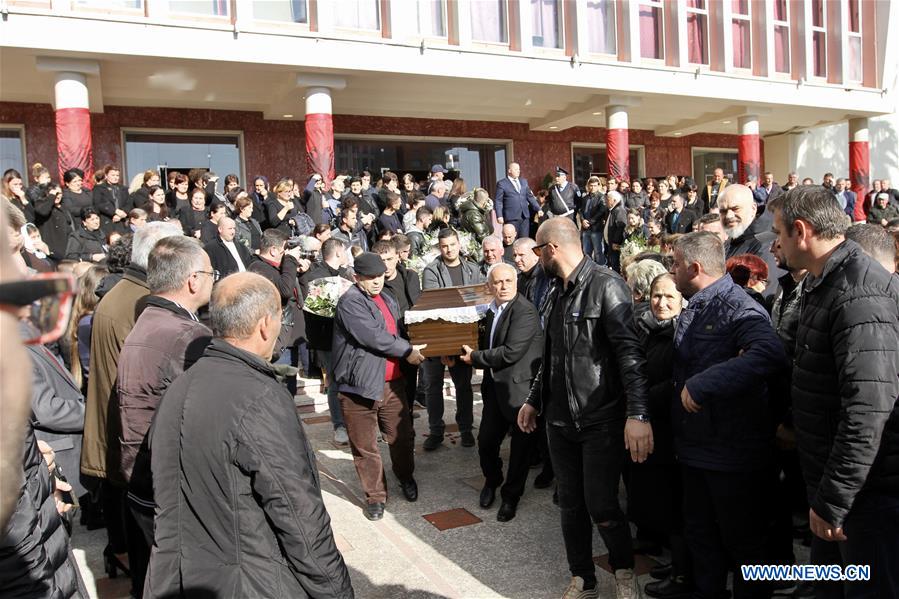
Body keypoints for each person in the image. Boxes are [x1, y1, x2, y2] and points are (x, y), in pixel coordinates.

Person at [145, 272, 353, 597]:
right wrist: (337, 591)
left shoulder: (179, 388)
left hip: (181, 577)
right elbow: (296, 512)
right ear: (265, 325)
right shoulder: (260, 398)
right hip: (251, 582)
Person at [767, 187, 899, 598]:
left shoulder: (860, 294)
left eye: (778, 233)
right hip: (833, 487)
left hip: (864, 496)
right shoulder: (823, 281)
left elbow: (867, 408)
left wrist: (834, 500)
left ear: (801, 231)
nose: (774, 244)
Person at [517, 217, 652, 599]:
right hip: (558, 421)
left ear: (552, 248)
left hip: (599, 420)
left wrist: (638, 414)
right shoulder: (554, 292)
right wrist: (533, 399)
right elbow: (551, 356)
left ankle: (624, 572)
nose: (537, 258)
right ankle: (583, 578)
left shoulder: (607, 286)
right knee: (570, 506)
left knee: (602, 504)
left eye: (539, 250)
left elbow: (630, 357)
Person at [669, 231, 787, 599]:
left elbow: (769, 354)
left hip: (734, 455)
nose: (669, 270)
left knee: (745, 546)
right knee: (701, 539)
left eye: (674, 263)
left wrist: (705, 384)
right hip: (696, 449)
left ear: (694, 267)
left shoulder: (739, 308)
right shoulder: (696, 304)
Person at [81, 220, 183, 592]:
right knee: (147, 553)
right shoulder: (139, 302)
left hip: (123, 435)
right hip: (135, 442)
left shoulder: (127, 293)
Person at [113, 235, 214, 596]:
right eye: (211, 273)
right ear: (193, 280)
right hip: (168, 488)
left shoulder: (149, 318)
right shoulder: (187, 333)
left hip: (139, 476)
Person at [332, 252, 426, 521]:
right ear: (356, 277)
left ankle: (405, 477)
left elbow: (397, 330)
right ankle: (375, 497)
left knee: (402, 436)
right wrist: (408, 350)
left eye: (380, 276)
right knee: (365, 446)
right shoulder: (350, 302)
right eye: (369, 277)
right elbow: (373, 337)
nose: (376, 282)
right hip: (358, 387)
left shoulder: (387, 297)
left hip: (392, 382)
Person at [454, 263, 542, 522]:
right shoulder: (491, 310)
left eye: (508, 281)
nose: (503, 286)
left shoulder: (524, 311)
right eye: (498, 282)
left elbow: (511, 352)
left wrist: (475, 358)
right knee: (487, 442)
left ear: (516, 283)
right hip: (494, 387)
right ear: (489, 286)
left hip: (519, 390)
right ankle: (492, 480)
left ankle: (511, 497)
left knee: (520, 449)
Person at [630, 273, 693, 599]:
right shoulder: (645, 327)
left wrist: (637, 397)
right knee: (660, 496)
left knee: (676, 502)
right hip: (650, 422)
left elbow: (674, 384)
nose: (662, 303)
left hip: (673, 429)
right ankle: (674, 561)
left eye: (670, 297)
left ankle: (683, 576)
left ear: (681, 299)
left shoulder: (683, 333)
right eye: (657, 296)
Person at [420, 228, 485, 451]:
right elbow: (436, 303)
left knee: (464, 386)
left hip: (463, 338)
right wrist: (443, 349)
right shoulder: (431, 271)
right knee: (433, 386)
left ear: (459, 244)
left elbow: (479, 300)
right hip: (437, 338)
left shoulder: (472, 269)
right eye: (444, 246)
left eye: (452, 245)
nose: (449, 249)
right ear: (440, 247)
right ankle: (436, 430)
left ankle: (466, 428)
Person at [248, 229, 309, 394]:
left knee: (290, 389)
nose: (286, 254)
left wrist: (301, 273)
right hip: (277, 341)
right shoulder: (259, 267)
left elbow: (300, 296)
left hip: (290, 337)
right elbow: (284, 292)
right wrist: (290, 261)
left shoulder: (281, 268)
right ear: (274, 250)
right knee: (280, 390)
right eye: (284, 250)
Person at [373, 239, 422, 419]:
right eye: (381, 260)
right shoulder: (375, 284)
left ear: (397, 257)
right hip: (387, 343)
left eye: (389, 259)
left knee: (409, 387)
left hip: (409, 341)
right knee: (389, 390)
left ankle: (407, 424)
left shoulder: (411, 277)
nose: (386, 265)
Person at [718, 184, 784, 297]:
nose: (729, 216)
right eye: (723, 211)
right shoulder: (735, 239)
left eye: (735, 209)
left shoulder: (766, 242)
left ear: (753, 209)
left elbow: (760, 296)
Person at [495, 162, 541, 239]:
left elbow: (530, 197)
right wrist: (499, 215)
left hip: (524, 217)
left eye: (519, 169)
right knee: (512, 241)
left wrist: (538, 209)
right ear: (509, 171)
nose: (518, 171)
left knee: (524, 240)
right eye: (516, 169)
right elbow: (498, 201)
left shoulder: (523, 181)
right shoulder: (502, 183)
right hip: (511, 218)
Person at [93, 165, 131, 233]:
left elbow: (129, 203)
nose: (115, 177)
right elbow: (98, 204)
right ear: (106, 176)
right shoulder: (99, 188)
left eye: (117, 175)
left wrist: (122, 214)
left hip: (122, 222)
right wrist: (115, 211)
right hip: (107, 221)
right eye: (113, 175)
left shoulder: (123, 189)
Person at [580, 176, 608, 264]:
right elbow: (581, 211)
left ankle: (601, 271)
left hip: (596, 229)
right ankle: (588, 271)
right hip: (585, 229)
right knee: (586, 252)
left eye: (595, 186)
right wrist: (582, 220)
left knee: (598, 252)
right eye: (591, 185)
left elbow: (601, 212)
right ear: (588, 186)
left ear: (599, 186)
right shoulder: (584, 198)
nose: (593, 188)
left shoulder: (602, 197)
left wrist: (590, 222)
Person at [603, 189, 628, 272]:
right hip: (610, 243)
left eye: (607, 199)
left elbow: (620, 227)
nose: (606, 201)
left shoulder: (619, 210)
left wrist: (615, 241)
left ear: (614, 200)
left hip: (615, 245)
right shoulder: (612, 210)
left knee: (616, 266)